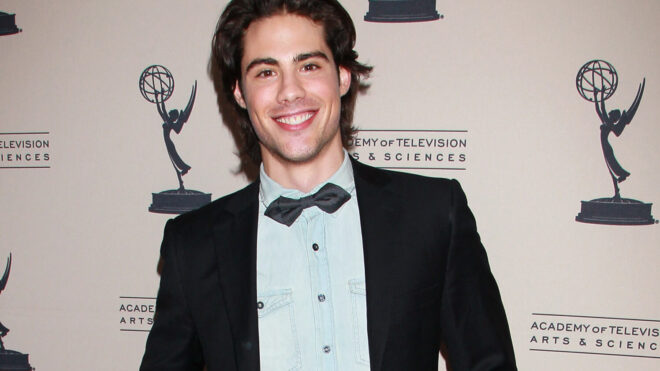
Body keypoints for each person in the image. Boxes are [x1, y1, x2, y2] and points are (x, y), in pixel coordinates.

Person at [140, 1, 517, 370]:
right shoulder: (193, 245)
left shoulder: (432, 213)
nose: (290, 91)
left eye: (308, 65)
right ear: (240, 92)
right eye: (266, 72)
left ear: (342, 76)